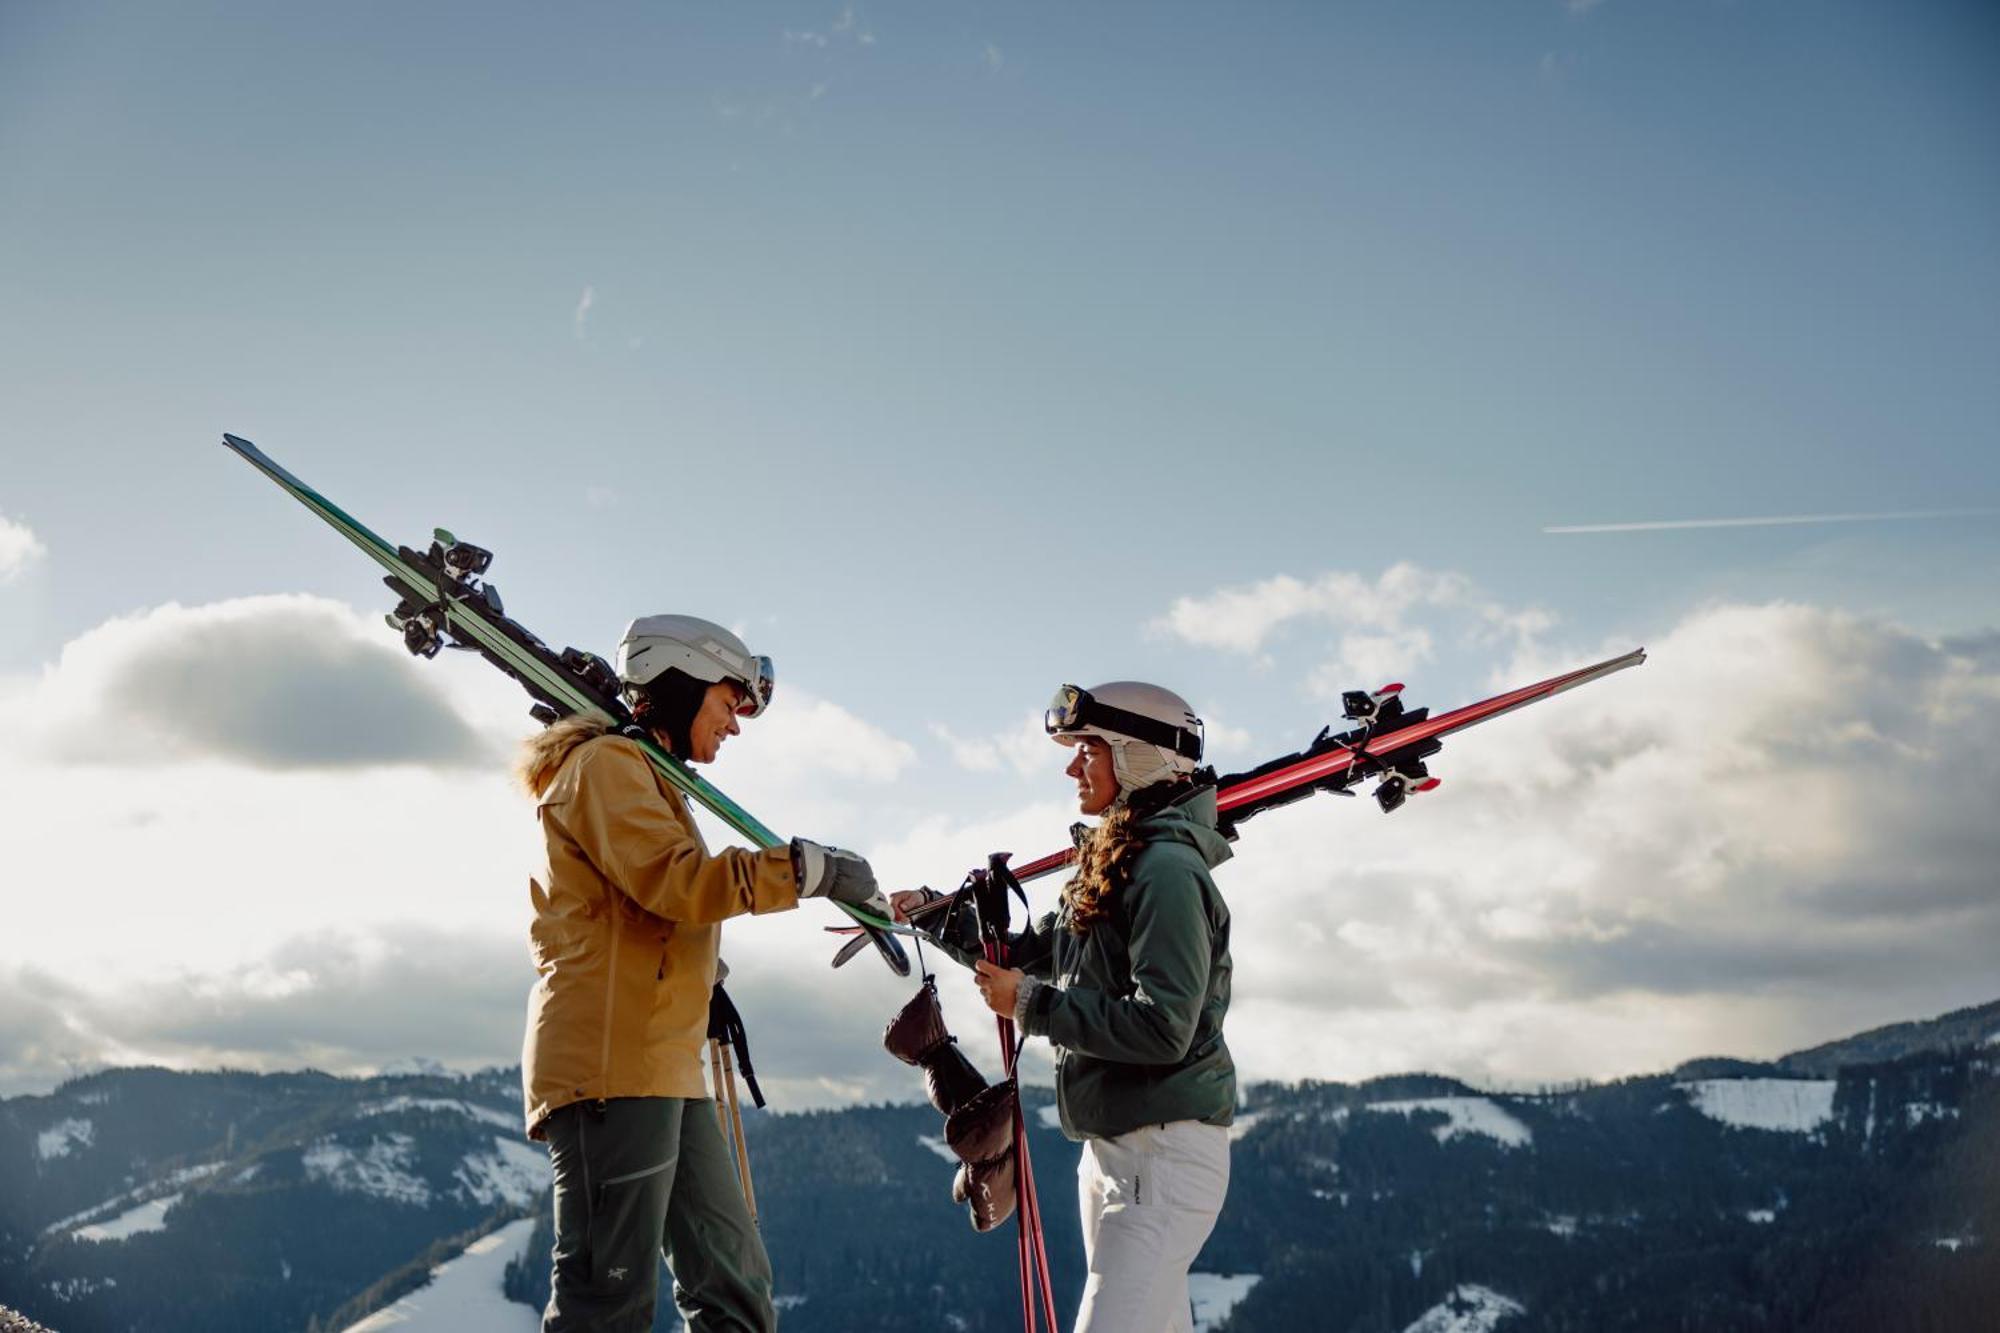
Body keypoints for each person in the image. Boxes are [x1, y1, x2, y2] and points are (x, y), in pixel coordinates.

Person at [517, 614, 886, 1333]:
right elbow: (679, 883)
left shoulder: (649, 777)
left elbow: (646, 913)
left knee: (734, 1284)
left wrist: (697, 978)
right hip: (610, 1066)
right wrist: (809, 868)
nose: (735, 726)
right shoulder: (607, 768)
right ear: (682, 684)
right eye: (728, 703)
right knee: (606, 1304)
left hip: (661, 1060)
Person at [896, 681, 1236, 1333]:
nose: (1071, 766)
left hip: (1162, 1158)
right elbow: (1032, 949)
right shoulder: (1116, 860)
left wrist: (1030, 1004)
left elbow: (1166, 1027)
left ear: (1138, 757)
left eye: (1088, 749)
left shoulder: (1165, 870)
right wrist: (938, 916)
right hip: (1116, 1153)